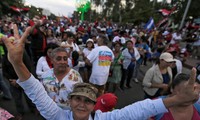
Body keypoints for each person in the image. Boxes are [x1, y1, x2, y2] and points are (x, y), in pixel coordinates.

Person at [2, 24, 200, 120]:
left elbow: (138, 110)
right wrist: (17, 62)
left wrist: (176, 100)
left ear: (94, 104)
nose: (82, 104)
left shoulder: (103, 119)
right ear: (70, 101)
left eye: (88, 100)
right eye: (78, 99)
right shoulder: (57, 116)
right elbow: (36, 92)